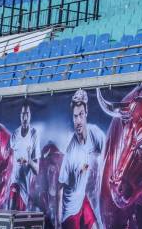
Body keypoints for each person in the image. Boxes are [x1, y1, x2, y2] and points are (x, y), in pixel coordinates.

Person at [58, 89, 105, 229]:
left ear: (86, 113)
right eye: (75, 116)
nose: (78, 121)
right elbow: (60, 187)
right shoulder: (70, 153)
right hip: (70, 210)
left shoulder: (95, 133)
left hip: (83, 200)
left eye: (81, 115)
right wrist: (59, 219)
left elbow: (108, 154)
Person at [9, 101, 40, 211]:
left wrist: (29, 160)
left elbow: (37, 170)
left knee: (18, 221)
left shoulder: (34, 134)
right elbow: (10, 160)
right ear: (20, 116)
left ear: (30, 116)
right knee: (10, 214)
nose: (25, 117)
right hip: (14, 183)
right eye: (23, 114)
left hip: (24, 190)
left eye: (27, 114)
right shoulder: (14, 134)